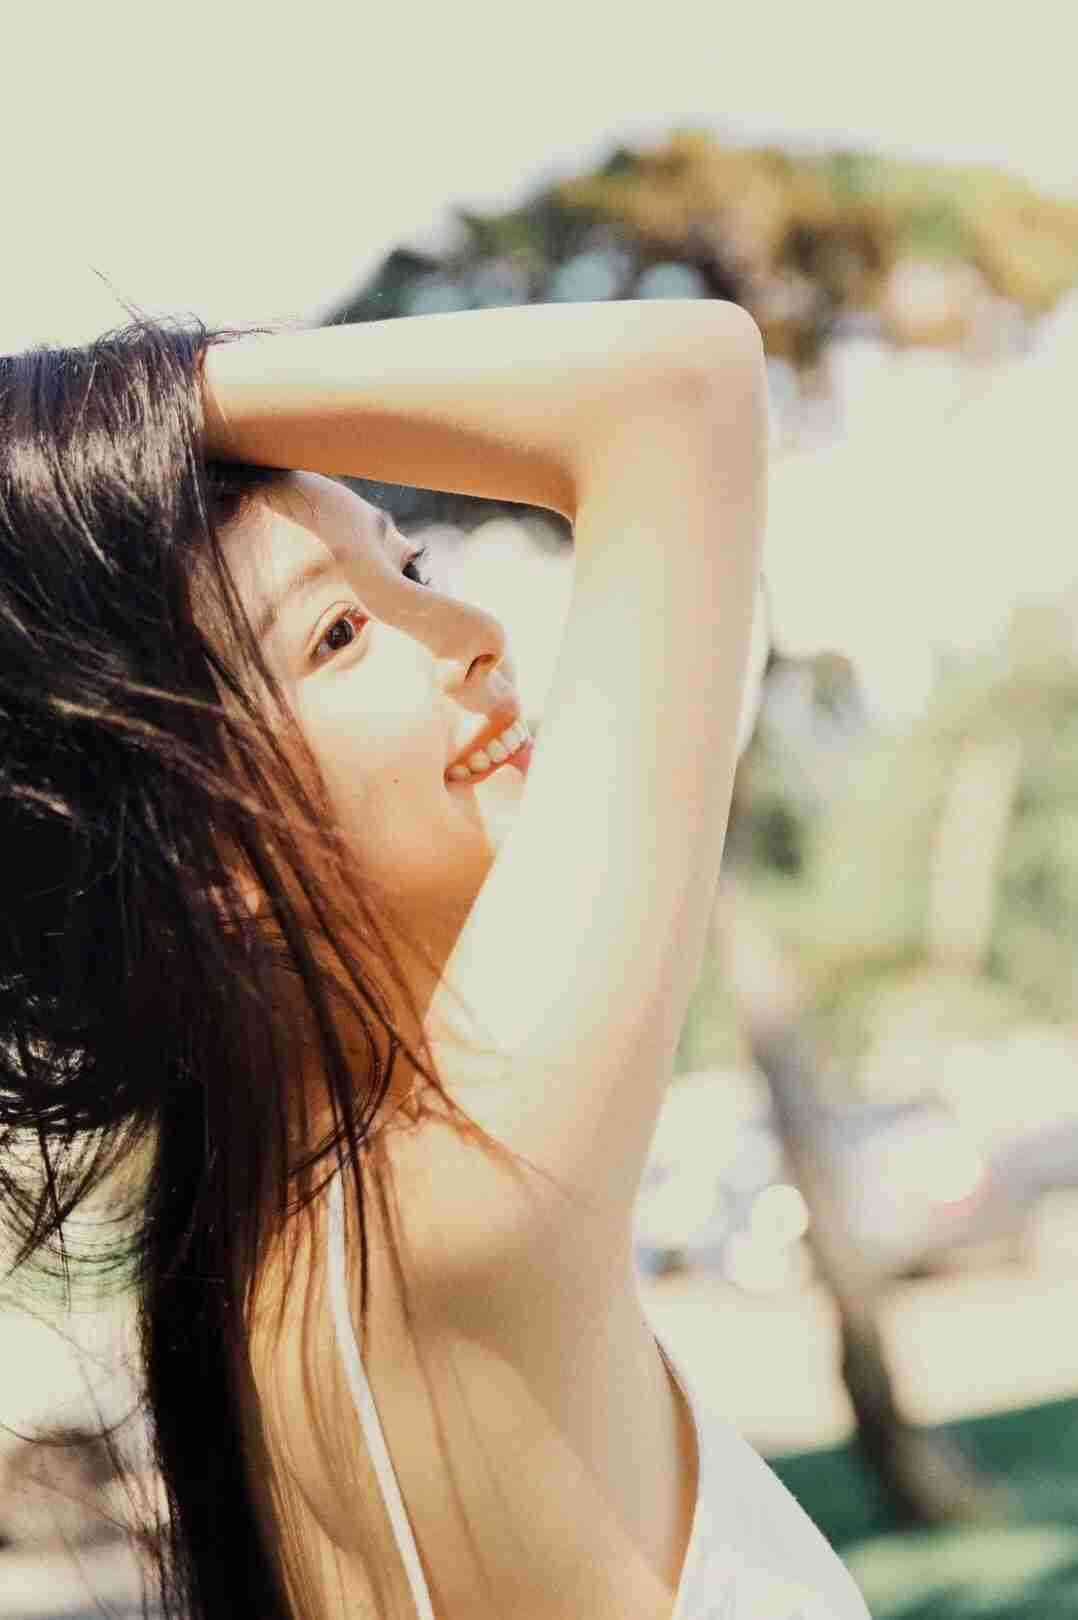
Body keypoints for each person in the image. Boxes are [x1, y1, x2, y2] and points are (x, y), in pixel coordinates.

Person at [0, 300, 871, 1619]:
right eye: (338, 635)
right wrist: (93, 417)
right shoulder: (460, 1191)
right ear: (198, 860)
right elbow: (679, 391)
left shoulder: (272, 1256)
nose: (472, 634)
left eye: (410, 564)